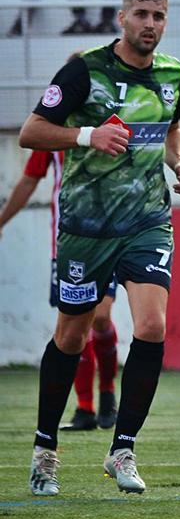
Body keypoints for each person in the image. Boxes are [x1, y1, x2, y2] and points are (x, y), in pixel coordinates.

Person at [21, 0, 180, 497]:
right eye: (141, 14)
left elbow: (170, 128)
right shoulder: (84, 70)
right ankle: (44, 451)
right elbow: (32, 130)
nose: (150, 24)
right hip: (86, 227)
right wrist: (85, 135)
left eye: (158, 16)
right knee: (71, 337)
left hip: (146, 221)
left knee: (152, 325)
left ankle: (123, 449)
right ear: (122, 18)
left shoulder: (173, 73)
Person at [0, 146, 121, 433]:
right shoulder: (54, 127)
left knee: (101, 316)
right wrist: (2, 220)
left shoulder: (111, 116)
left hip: (110, 238)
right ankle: (85, 408)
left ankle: (107, 392)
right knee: (75, 325)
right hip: (67, 244)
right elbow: (30, 178)